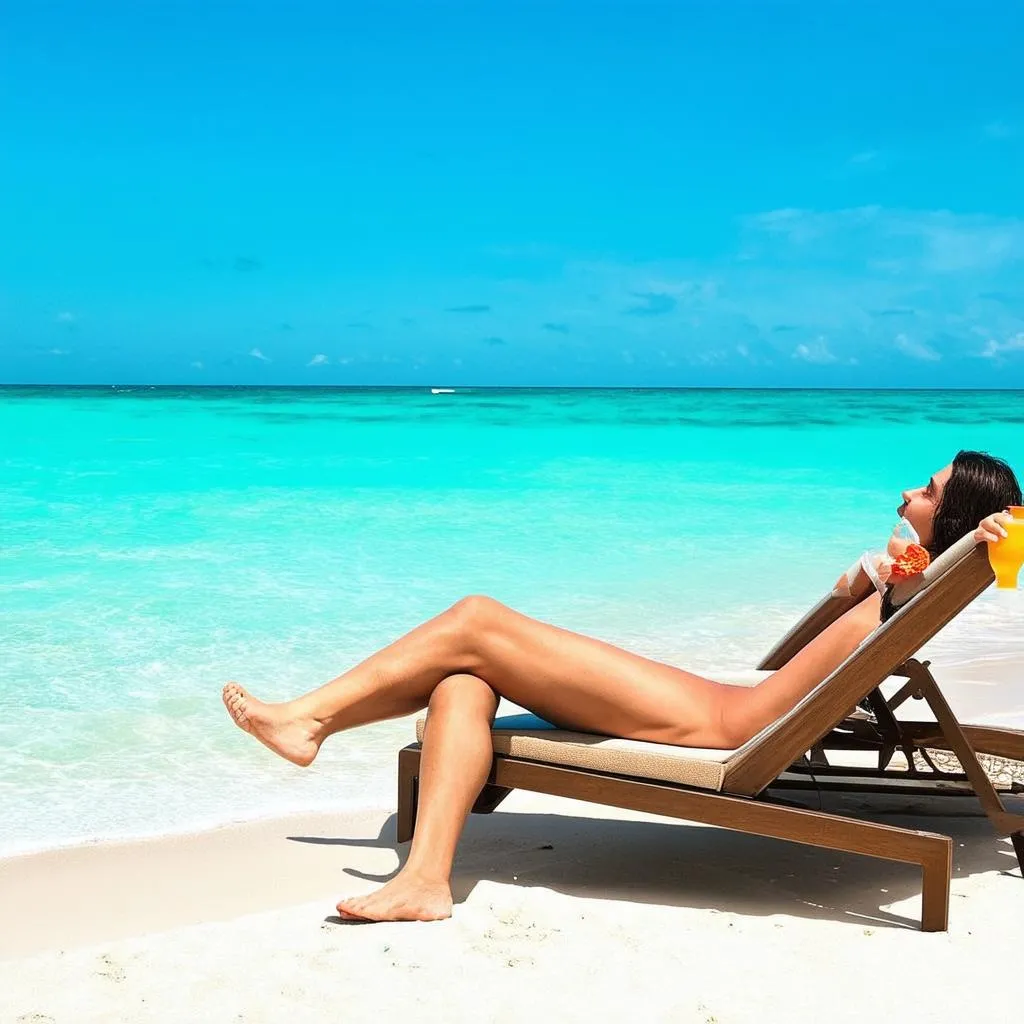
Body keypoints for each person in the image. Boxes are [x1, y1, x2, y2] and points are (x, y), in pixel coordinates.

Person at [222, 449, 1020, 923]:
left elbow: (933, 577)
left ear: (950, 521)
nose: (905, 494)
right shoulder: (900, 581)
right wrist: (868, 578)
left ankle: (311, 721)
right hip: (710, 702)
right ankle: (426, 880)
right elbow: (884, 594)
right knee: (462, 680)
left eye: (926, 491)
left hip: (715, 725)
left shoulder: (917, 584)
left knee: (474, 619)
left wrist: (989, 535)